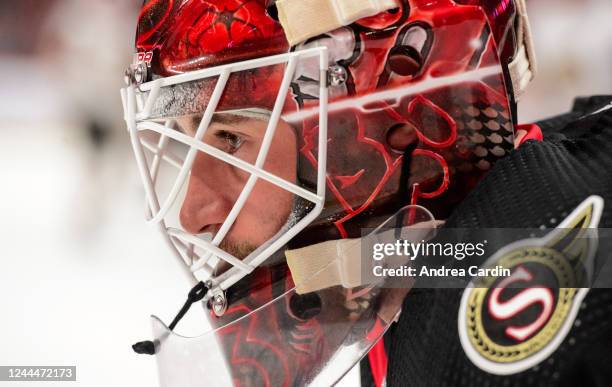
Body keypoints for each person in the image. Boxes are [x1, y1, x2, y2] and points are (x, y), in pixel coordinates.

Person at [122, 0, 612, 386]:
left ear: (392, 123)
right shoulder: (413, 278)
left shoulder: (522, 287)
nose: (192, 213)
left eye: (231, 139)